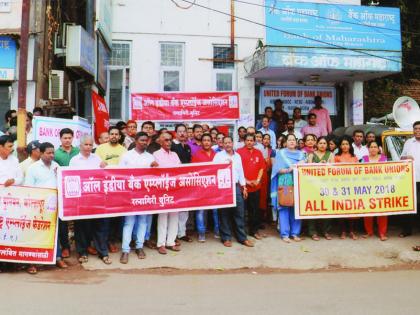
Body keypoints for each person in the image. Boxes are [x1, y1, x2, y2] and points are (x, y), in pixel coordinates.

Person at [69, 136, 111, 265]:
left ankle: (103, 252)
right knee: (81, 227)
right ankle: (82, 253)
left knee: (100, 226)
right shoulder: (74, 160)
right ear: (80, 146)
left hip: (96, 198)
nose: (88, 147)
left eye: (90, 144)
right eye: (85, 144)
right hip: (82, 199)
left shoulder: (97, 158)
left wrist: (105, 166)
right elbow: (71, 179)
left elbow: (104, 176)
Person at [25, 142, 68, 270]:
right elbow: (28, 188)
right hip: (38, 206)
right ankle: (32, 262)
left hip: (54, 206)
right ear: (41, 153)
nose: (51, 155)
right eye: (48, 153)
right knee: (36, 233)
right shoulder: (33, 168)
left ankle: (57, 258)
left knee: (55, 233)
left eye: (53, 153)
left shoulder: (56, 166)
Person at [119, 132, 158, 263]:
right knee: (129, 223)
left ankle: (139, 246)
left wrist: (155, 167)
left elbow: (154, 177)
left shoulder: (150, 157)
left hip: (145, 195)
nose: (144, 142)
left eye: (146, 140)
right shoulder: (126, 156)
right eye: (141, 140)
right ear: (135, 141)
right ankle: (125, 250)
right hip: (130, 194)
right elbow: (120, 175)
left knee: (143, 221)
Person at [214, 136, 253, 247]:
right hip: (223, 187)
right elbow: (213, 171)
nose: (227, 144)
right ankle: (226, 238)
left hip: (236, 186)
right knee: (224, 213)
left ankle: (242, 238)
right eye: (225, 143)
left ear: (233, 143)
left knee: (239, 212)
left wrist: (244, 186)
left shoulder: (238, 156)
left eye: (229, 142)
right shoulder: (218, 156)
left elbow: (241, 172)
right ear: (222, 144)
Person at [95, 126, 127, 252]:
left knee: (116, 217)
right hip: (104, 187)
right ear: (108, 136)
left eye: (116, 134)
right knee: (104, 218)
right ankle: (102, 243)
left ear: (119, 136)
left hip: (118, 188)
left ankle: (112, 241)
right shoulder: (100, 148)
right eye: (111, 134)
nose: (114, 136)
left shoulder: (124, 150)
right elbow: (95, 164)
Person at [271, 134, 305, 242]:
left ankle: (295, 233)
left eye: (293, 140)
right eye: (289, 140)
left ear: (296, 142)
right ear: (286, 142)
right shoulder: (280, 154)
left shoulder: (301, 154)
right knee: (284, 206)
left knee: (296, 207)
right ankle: (284, 234)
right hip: (285, 182)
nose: (291, 141)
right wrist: (288, 170)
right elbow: (276, 170)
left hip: (298, 182)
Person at [153, 132, 182, 254]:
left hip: (174, 189)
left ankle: (171, 242)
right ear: (160, 141)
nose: (169, 142)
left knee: (175, 216)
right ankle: (161, 243)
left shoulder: (175, 154)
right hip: (162, 190)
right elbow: (156, 171)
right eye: (166, 140)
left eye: (170, 140)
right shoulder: (155, 154)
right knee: (163, 216)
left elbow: (180, 169)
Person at [54, 128, 79, 259]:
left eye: (70, 138)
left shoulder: (78, 151)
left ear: (73, 138)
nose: (67, 140)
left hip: (78, 190)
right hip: (62, 191)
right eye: (65, 138)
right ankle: (65, 247)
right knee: (63, 220)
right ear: (60, 139)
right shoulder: (56, 154)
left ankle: (81, 245)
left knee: (79, 218)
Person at [191, 134, 219, 242]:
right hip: (201, 187)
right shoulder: (197, 154)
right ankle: (201, 233)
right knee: (200, 211)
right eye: (204, 140)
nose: (206, 142)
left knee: (216, 210)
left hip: (214, 186)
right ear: (201, 142)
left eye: (208, 140)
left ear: (212, 142)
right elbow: (194, 171)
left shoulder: (217, 155)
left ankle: (217, 231)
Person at [237, 134, 265, 240]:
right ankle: (241, 232)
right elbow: (238, 170)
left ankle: (254, 231)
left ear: (254, 142)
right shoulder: (239, 152)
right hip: (243, 186)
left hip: (256, 187)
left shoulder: (258, 152)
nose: (249, 142)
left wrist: (257, 180)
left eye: (251, 140)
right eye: (247, 140)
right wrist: (247, 182)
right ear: (244, 141)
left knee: (254, 210)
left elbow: (262, 168)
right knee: (241, 211)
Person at [306, 137, 334, 241]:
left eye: (324, 143)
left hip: (326, 186)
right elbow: (307, 170)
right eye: (320, 143)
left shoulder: (330, 155)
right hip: (313, 185)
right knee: (313, 208)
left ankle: (326, 231)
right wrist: (318, 165)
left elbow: (333, 170)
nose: (322, 145)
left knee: (326, 208)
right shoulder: (311, 155)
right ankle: (312, 231)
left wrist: (326, 166)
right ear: (316, 144)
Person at [361, 140, 388, 241]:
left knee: (382, 211)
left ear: (378, 149)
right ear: (368, 149)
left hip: (381, 188)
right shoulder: (364, 159)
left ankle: (382, 233)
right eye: (371, 147)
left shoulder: (383, 159)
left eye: (375, 147)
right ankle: (369, 231)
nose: (373, 149)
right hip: (367, 188)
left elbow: (388, 173)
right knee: (368, 211)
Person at [171, 124, 193, 243]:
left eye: (184, 131)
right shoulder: (173, 146)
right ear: (175, 133)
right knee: (175, 208)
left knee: (185, 208)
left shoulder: (187, 147)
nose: (182, 133)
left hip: (186, 180)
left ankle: (182, 233)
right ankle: (173, 235)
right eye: (179, 131)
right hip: (175, 181)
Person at [334, 136, 359, 240]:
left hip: (352, 186)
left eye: (347, 144)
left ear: (350, 145)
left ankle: (352, 231)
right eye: (343, 144)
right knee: (341, 209)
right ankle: (343, 231)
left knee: (351, 209)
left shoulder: (354, 157)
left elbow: (358, 171)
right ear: (340, 146)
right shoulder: (336, 157)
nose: (345, 146)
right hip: (340, 186)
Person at [400, 121, 420, 242]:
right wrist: (406, 158)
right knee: (409, 205)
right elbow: (401, 158)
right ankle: (406, 230)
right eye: (415, 129)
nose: (417, 130)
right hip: (411, 178)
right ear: (413, 130)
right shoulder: (408, 143)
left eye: (419, 128)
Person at [260, 134, 275, 222]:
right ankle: (262, 217)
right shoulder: (259, 150)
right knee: (262, 197)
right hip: (262, 176)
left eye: (268, 139)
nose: (266, 140)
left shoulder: (272, 151)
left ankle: (269, 217)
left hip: (270, 175)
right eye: (264, 139)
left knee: (270, 195)